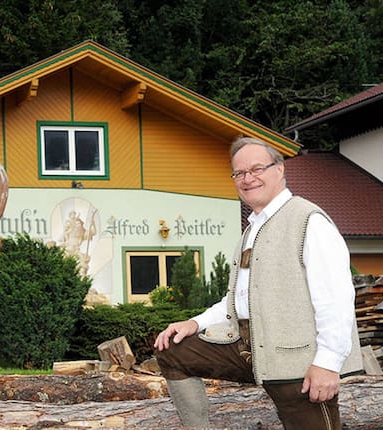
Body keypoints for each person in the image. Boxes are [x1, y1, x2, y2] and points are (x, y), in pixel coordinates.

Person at [153, 136, 362, 429]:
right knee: (173, 350)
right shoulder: (251, 230)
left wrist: (327, 364)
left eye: (256, 169)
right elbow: (238, 300)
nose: (247, 179)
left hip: (296, 364)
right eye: (239, 173)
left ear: (279, 169)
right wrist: (195, 323)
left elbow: (336, 299)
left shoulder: (308, 221)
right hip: (251, 352)